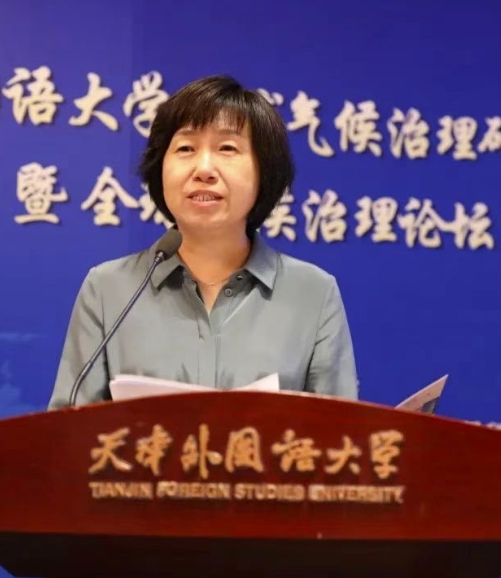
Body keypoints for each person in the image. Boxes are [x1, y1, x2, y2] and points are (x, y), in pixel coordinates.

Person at [47, 74, 358, 410]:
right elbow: (67, 430)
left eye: (227, 149)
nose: (204, 168)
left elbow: (340, 435)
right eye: (186, 149)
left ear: (264, 172)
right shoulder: (108, 290)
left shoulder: (313, 293)